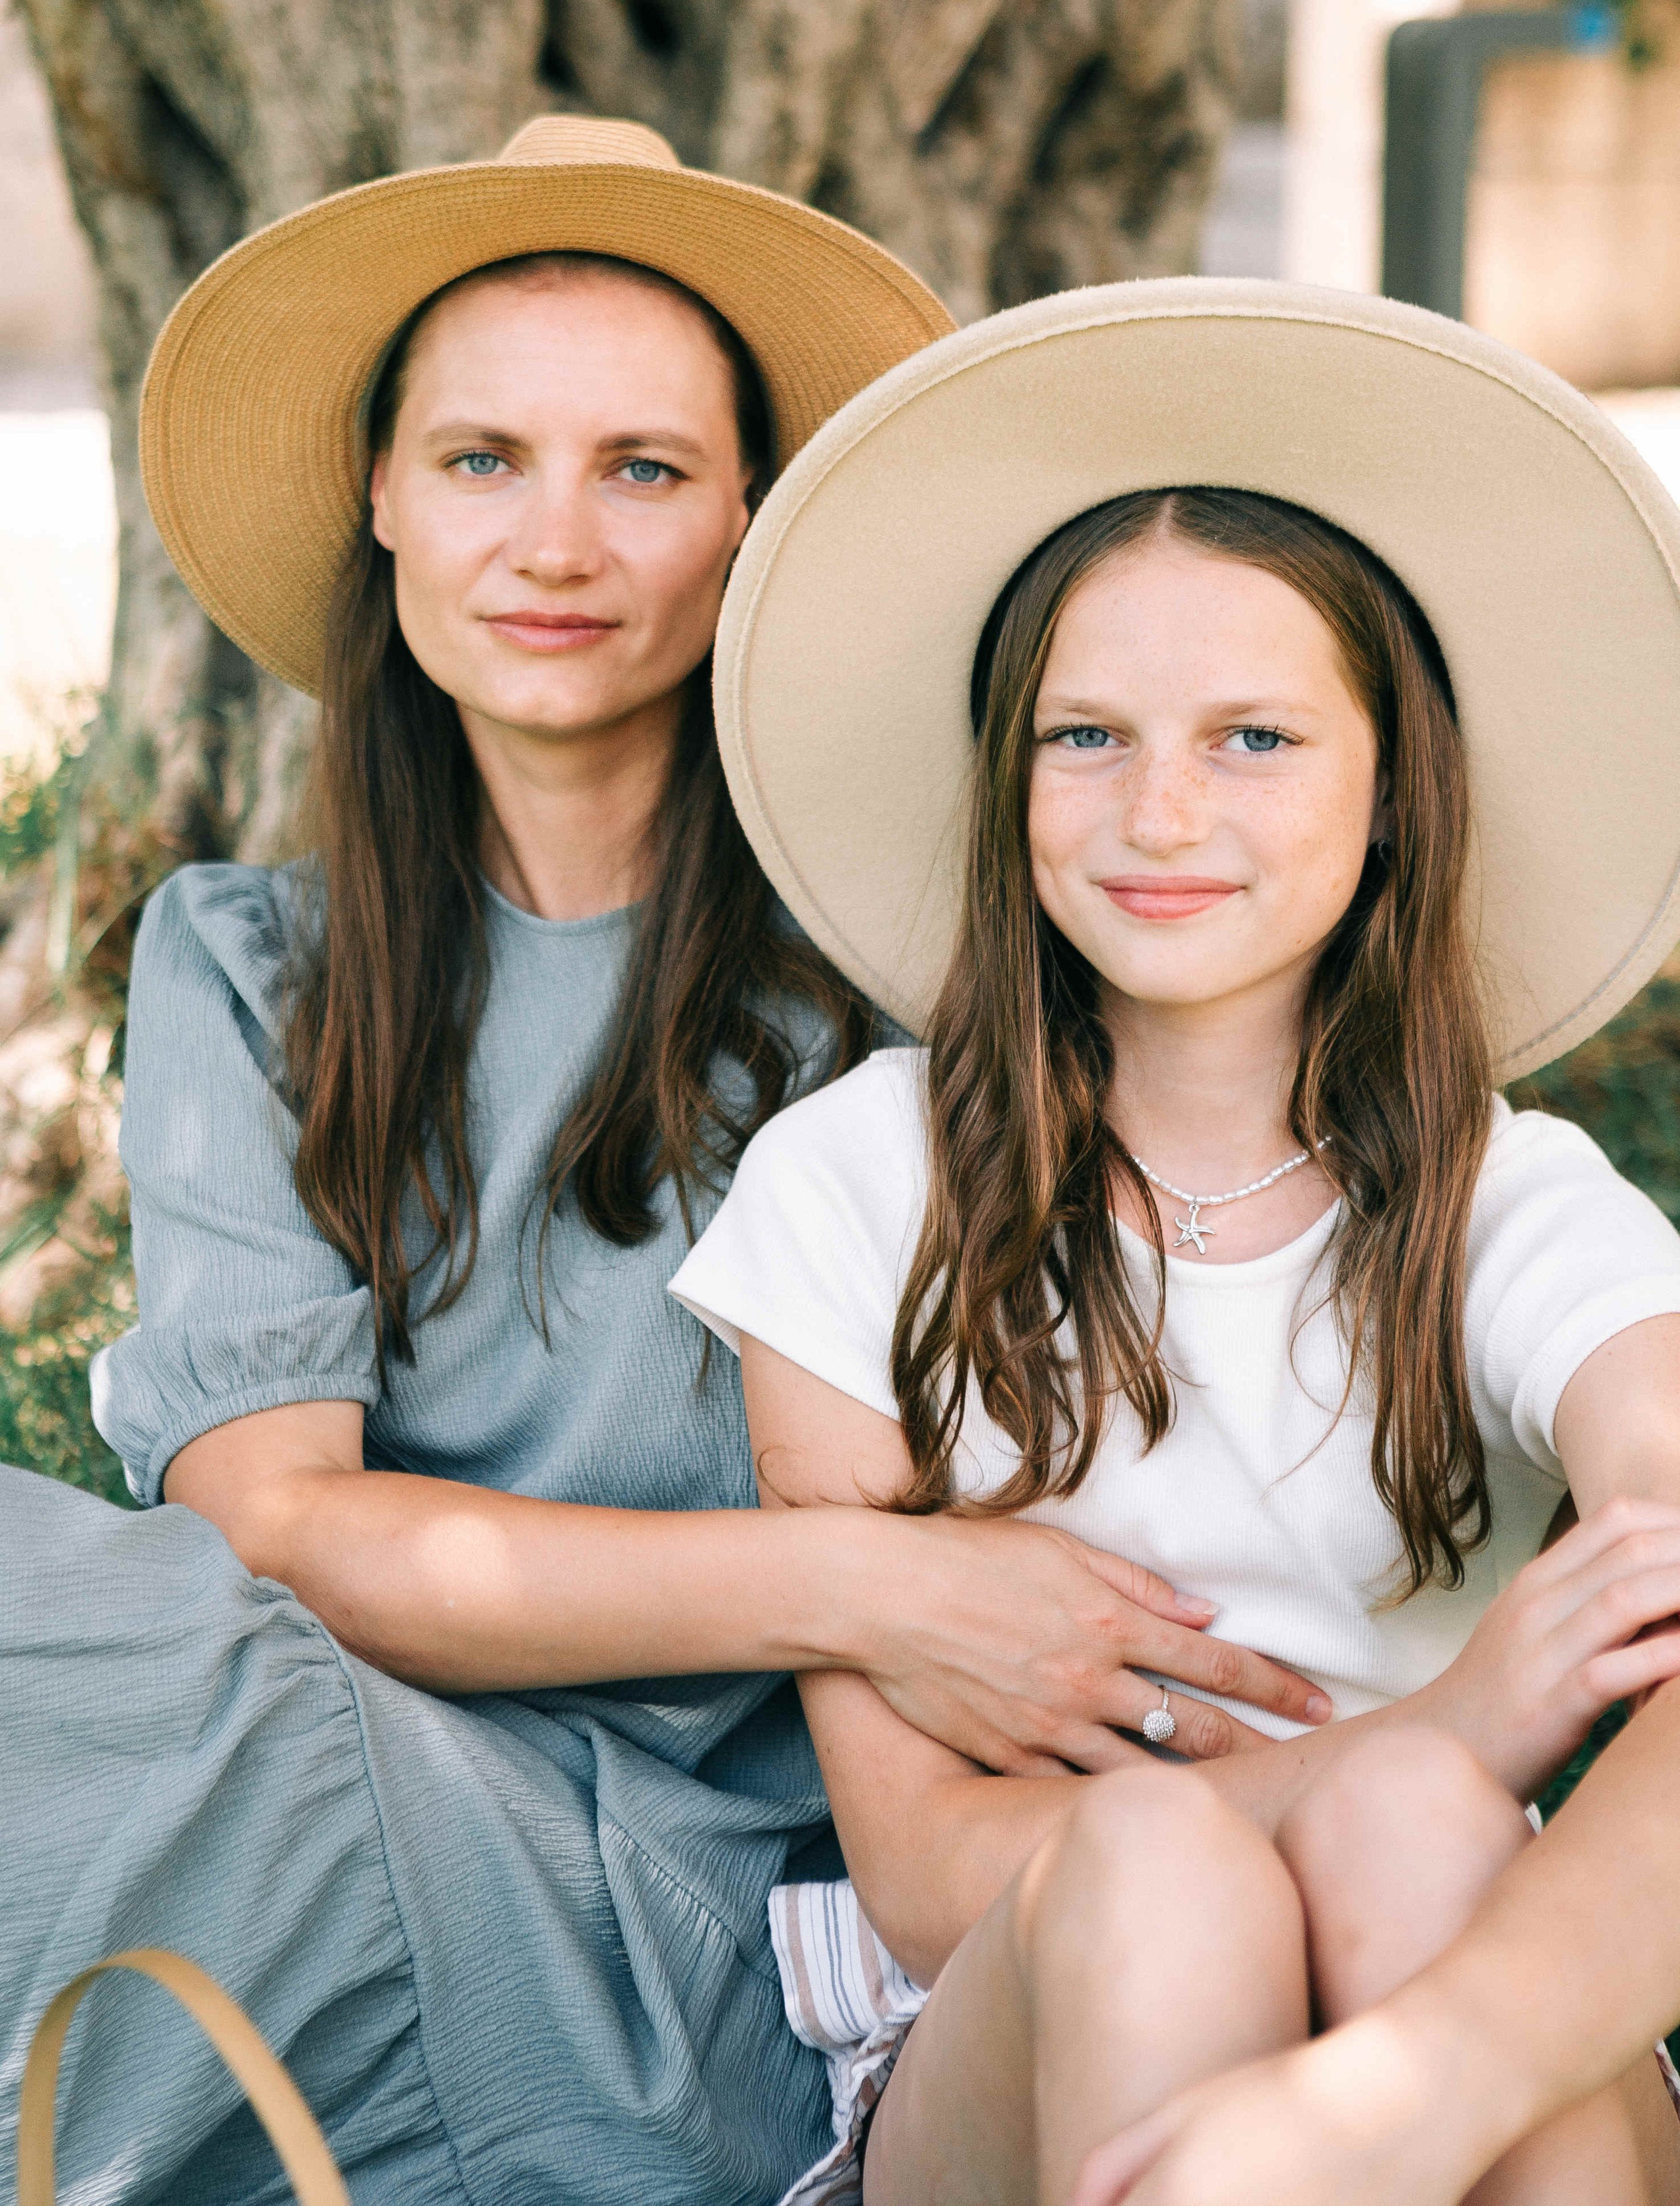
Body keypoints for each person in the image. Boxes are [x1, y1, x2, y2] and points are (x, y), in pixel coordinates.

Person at [0, 136, 1324, 2204]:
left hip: (736, 1912)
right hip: (334, 1769)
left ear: (753, 523)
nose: (556, 543)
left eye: (643, 469)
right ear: (380, 501)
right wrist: (866, 1583)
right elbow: (283, 1529)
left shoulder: (902, 989)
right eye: (480, 461)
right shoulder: (249, 969)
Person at [671, 278, 1680, 2203]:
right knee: (1175, 1854)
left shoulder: (1513, 1206)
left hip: (1449, 2011)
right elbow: (924, 1869)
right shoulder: (853, 1186)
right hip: (1023, 2020)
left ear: (1395, 794)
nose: (1158, 811)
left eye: (1256, 739)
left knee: (1412, 1830)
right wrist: (1469, 1721)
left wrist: (1392, 2099)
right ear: (1009, 778)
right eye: (1085, 737)